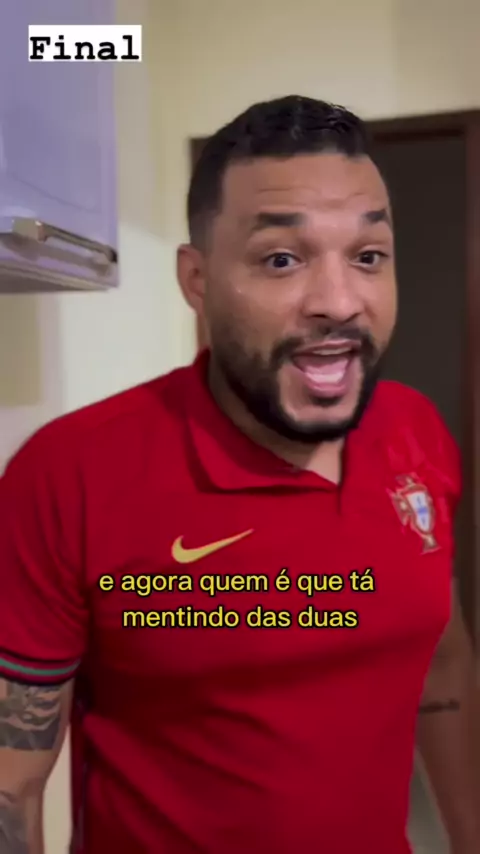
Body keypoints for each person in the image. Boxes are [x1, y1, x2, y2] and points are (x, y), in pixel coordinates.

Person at [0, 95, 478, 854]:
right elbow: (12, 784)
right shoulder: (68, 473)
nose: (339, 302)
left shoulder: (416, 431)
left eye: (368, 256)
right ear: (197, 279)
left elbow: (442, 662)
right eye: (282, 259)